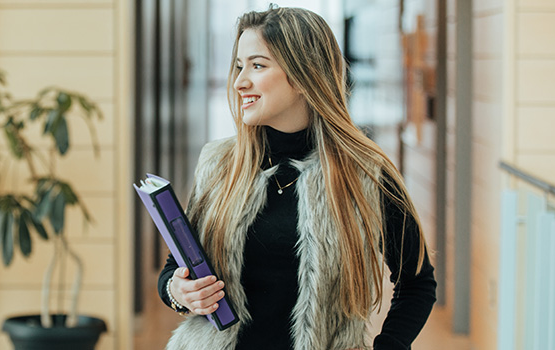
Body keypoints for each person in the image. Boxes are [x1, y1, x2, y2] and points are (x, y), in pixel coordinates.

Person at [156, 6, 436, 350]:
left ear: (305, 75)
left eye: (258, 66)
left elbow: (417, 283)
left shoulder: (366, 174)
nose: (240, 81)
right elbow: (174, 270)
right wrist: (179, 292)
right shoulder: (218, 165)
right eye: (239, 66)